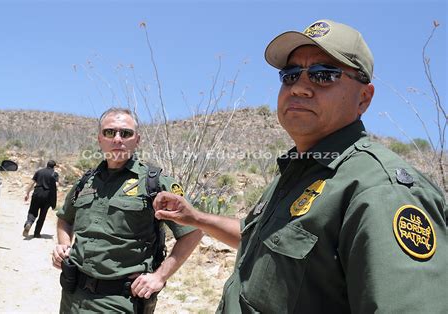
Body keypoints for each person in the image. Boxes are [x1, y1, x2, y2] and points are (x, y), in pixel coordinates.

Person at [153, 19, 448, 313]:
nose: (300, 88)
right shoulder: (297, 171)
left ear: (364, 98)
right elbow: (256, 237)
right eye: (291, 75)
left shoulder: (380, 191)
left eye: (324, 75)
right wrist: (196, 218)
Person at [52, 108, 203, 313]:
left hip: (119, 302)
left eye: (125, 133)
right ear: (99, 139)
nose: (117, 139)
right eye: (109, 132)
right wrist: (63, 244)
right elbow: (65, 219)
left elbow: (193, 231)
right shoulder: (85, 182)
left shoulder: (155, 184)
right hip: (71, 294)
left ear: (137, 140)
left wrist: (159, 277)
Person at [23, 159, 59, 238]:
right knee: (42, 215)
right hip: (47, 196)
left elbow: (32, 183)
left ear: (47, 164)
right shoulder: (55, 174)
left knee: (32, 211)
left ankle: (29, 222)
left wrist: (27, 193)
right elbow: (56, 185)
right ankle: (37, 233)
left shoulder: (39, 172)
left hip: (37, 193)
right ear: (54, 166)